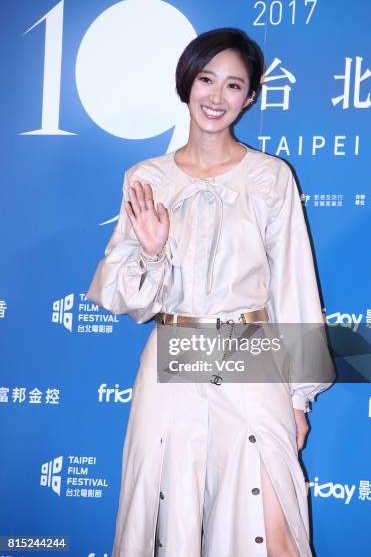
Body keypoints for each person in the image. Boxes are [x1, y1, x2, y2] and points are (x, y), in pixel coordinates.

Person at [86, 27, 334, 557]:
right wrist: (154, 251)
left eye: (233, 86)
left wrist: (298, 397)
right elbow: (124, 295)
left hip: (249, 350)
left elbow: (293, 284)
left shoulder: (270, 177)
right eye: (206, 80)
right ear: (187, 83)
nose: (216, 97)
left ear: (250, 96)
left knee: (270, 520)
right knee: (163, 513)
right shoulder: (146, 177)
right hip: (173, 352)